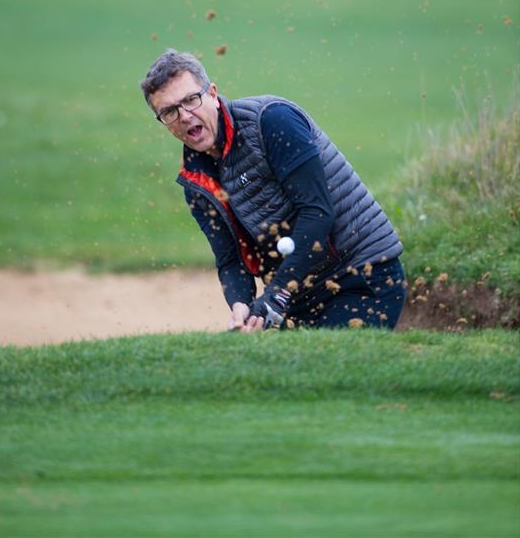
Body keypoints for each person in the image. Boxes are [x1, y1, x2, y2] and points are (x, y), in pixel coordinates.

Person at [140, 49, 406, 333]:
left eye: (191, 100)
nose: (184, 116)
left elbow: (317, 213)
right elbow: (230, 258)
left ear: (213, 95)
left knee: (322, 374)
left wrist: (277, 295)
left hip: (362, 276)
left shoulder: (272, 120)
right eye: (169, 111)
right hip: (299, 296)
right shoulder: (196, 180)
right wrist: (240, 302)